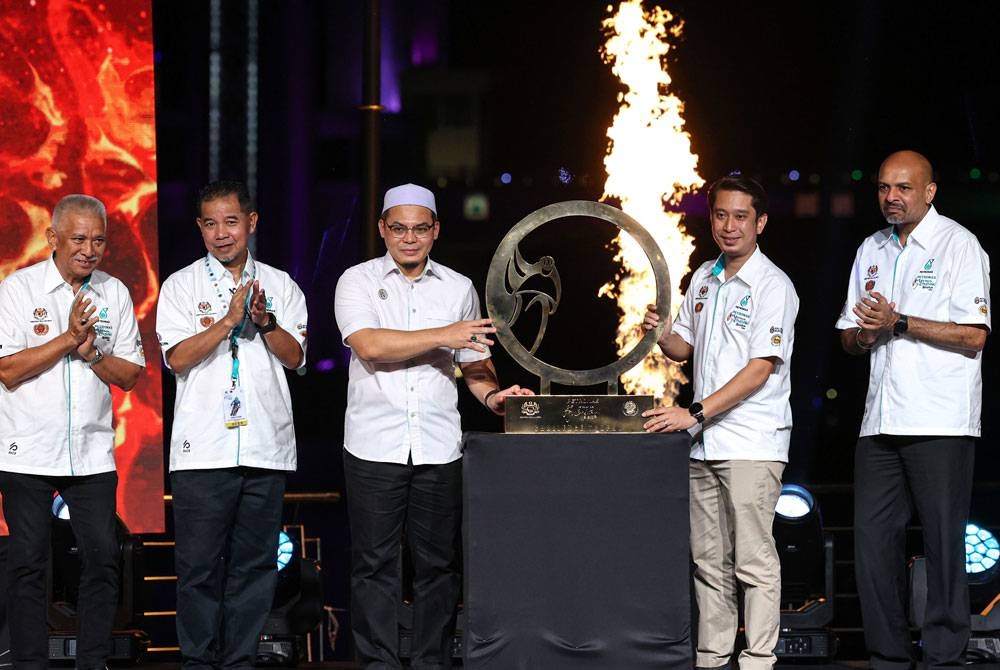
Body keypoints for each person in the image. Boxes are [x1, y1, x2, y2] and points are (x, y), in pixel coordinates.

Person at [334, 183, 533, 669]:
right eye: (398, 228)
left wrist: (493, 396)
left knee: (438, 568)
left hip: (439, 446)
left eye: (419, 228)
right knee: (374, 567)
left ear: (435, 230)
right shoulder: (356, 281)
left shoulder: (458, 287)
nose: (408, 238)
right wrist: (447, 335)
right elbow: (369, 345)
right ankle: (379, 663)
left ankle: (431, 662)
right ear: (382, 228)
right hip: (373, 446)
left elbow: (474, 362)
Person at [836, 150, 990, 669]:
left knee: (945, 543)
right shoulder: (871, 248)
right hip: (879, 420)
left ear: (929, 191)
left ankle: (945, 654)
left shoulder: (959, 246)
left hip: (940, 420)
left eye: (903, 188)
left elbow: (974, 334)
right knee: (874, 546)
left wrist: (899, 323)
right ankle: (888, 655)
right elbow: (848, 338)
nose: (891, 197)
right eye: (883, 188)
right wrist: (864, 334)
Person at [642, 175, 798, 670]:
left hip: (751, 441)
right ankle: (712, 658)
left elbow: (758, 370)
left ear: (761, 222)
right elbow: (684, 349)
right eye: (721, 216)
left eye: (741, 217)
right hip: (704, 443)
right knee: (709, 561)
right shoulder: (705, 278)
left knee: (753, 560)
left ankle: (758, 659)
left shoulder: (774, 286)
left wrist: (693, 412)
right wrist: (660, 334)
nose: (730, 226)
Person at [155, 180, 308, 670]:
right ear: (200, 228)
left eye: (231, 221)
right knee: (197, 569)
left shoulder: (282, 284)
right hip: (203, 451)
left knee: (255, 567)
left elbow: (297, 357)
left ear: (252, 222)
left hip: (264, 446)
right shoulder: (181, 286)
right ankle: (199, 662)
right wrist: (226, 322)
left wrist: (264, 322)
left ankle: (240, 660)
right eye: (211, 223)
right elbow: (176, 359)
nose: (222, 233)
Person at [0, 194, 145, 670]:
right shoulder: (18, 290)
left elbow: (129, 376)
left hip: (91, 452)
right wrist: (66, 339)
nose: (89, 249)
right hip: (27, 452)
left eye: (98, 239)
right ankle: (28, 663)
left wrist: (93, 353)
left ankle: (93, 661)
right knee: (27, 563)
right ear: (53, 238)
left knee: (104, 558)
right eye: (79, 238)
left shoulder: (115, 293)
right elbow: (7, 370)